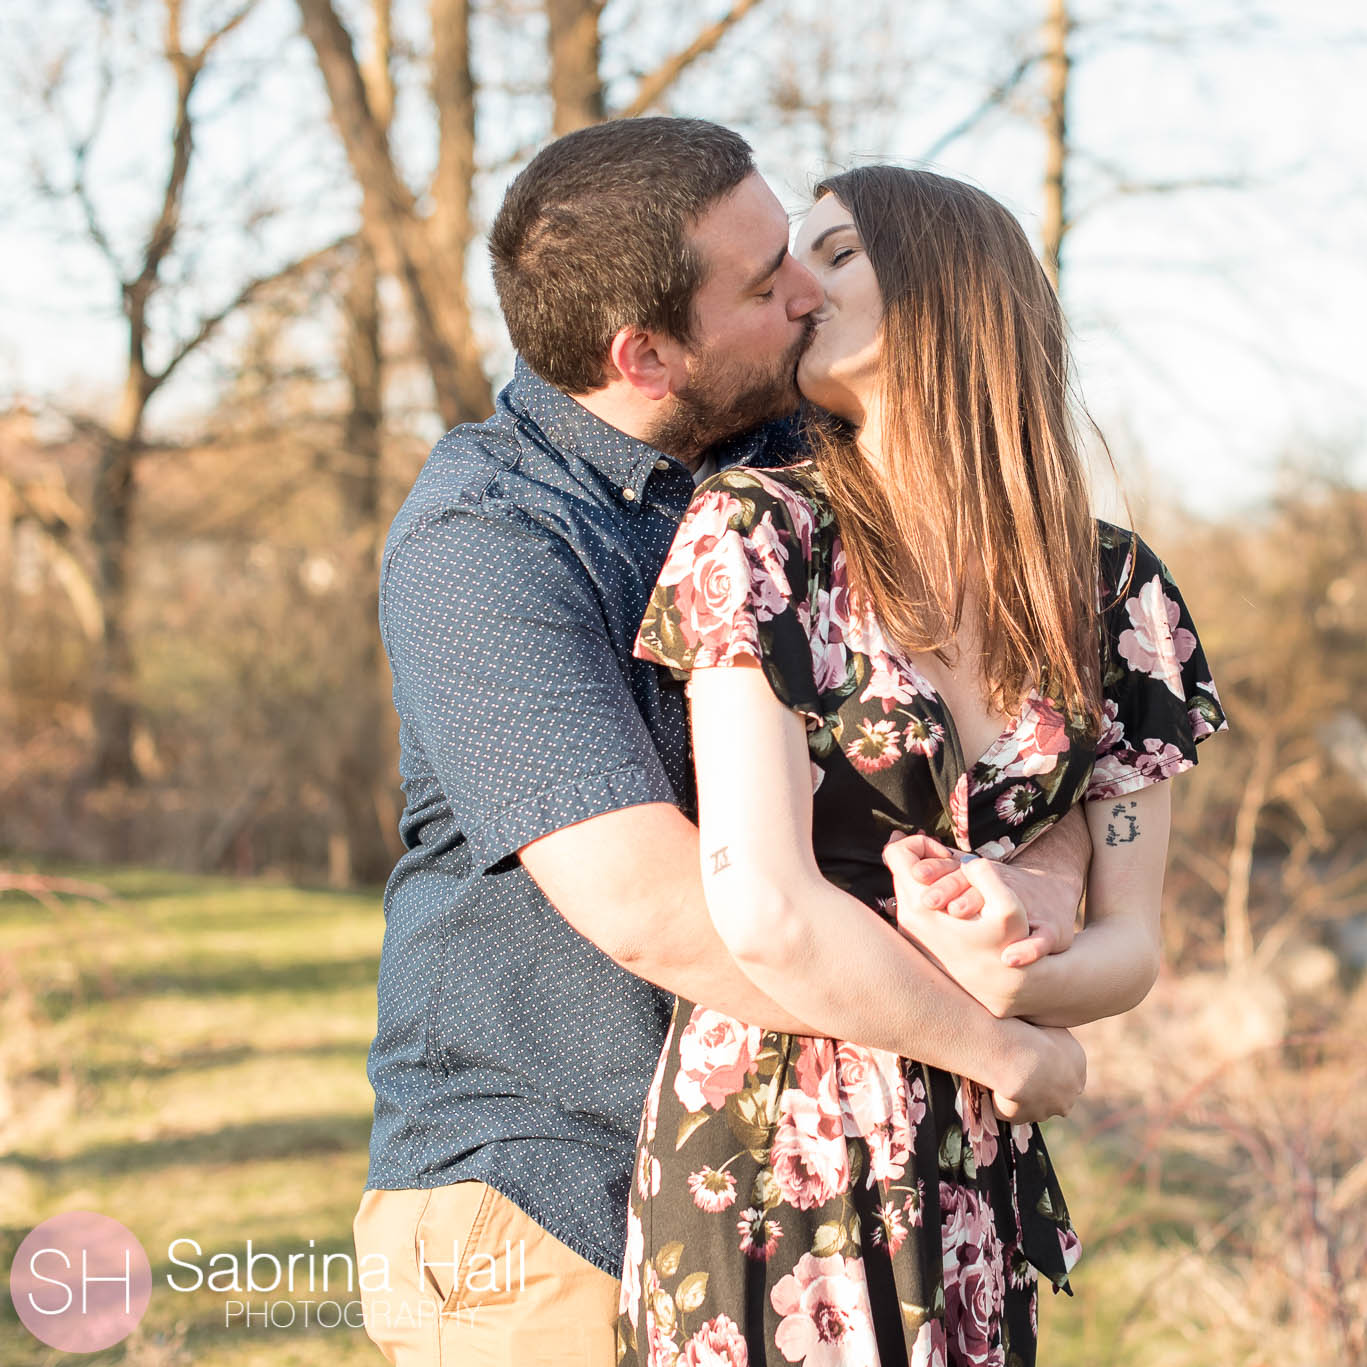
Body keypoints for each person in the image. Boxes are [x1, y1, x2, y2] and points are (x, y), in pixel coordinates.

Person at [354, 119, 1094, 1367]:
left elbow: (1029, 730)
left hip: (806, 1179)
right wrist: (987, 1044)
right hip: (544, 1199)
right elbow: (654, 906)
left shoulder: (794, 469)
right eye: (765, 285)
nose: (807, 293)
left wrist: (1038, 886)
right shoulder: (485, 546)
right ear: (643, 354)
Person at [618, 166, 1227, 1367]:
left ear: (950, 295)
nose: (795, 288)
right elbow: (766, 907)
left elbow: (1131, 944)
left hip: (975, 1180)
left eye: (835, 254)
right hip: (773, 1151)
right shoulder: (757, 531)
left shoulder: (1112, 593)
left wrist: (1014, 977)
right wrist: (1012, 1047)